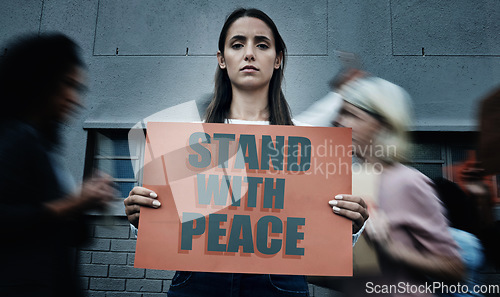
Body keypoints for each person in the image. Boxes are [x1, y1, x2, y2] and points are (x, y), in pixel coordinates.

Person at [124, 8, 368, 297]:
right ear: (221, 59)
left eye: (262, 45)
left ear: (277, 59)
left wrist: (352, 226)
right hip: (198, 281)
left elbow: (320, 231)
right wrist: (142, 218)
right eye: (237, 44)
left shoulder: (309, 140)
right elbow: (172, 224)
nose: (249, 53)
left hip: (280, 282)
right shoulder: (189, 138)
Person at [0, 33, 116, 297]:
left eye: (78, 89)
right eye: (67, 84)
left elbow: (73, 235)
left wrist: (85, 202)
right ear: (40, 81)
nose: (75, 99)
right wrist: (74, 204)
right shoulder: (15, 138)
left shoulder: (43, 144)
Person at [332, 77, 465, 297]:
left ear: (383, 124)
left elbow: (455, 269)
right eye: (340, 113)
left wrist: (392, 250)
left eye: (351, 114)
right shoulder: (352, 180)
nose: (338, 121)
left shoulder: (407, 182)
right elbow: (361, 275)